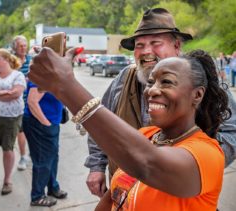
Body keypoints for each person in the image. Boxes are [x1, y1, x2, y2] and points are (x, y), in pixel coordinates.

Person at [28, 35, 232, 209]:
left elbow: (147, 165)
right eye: (151, 82)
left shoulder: (208, 155)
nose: (152, 90)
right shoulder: (147, 135)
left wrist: (66, 86)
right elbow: (115, 197)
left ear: (197, 94)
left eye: (167, 82)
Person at [82, 8, 236, 197]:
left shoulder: (200, 79)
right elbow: (102, 125)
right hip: (124, 193)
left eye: (155, 43)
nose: (146, 51)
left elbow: (232, 131)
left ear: (177, 46)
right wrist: (96, 166)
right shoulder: (123, 78)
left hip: (179, 197)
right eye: (139, 45)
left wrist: (196, 166)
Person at [0, 48, 26, 195]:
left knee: (7, 148)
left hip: (11, 117)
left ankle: (7, 180)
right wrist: (5, 93)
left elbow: (15, 94)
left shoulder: (18, 75)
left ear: (6, 60)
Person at [22, 80, 67, 207]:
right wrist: (46, 123)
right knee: (43, 160)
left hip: (50, 122)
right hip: (40, 123)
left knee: (52, 157)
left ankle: (53, 187)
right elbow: (32, 102)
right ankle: (37, 196)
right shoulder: (44, 74)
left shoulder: (53, 72)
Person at [11, 35, 31, 171]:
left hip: (33, 102)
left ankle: (32, 155)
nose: (23, 48)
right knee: (21, 131)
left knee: (34, 132)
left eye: (25, 45)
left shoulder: (32, 60)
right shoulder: (12, 62)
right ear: (15, 48)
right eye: (20, 46)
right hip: (18, 102)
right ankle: (23, 157)